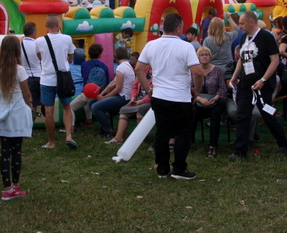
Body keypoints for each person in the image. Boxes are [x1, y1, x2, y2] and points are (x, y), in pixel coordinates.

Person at [135, 13, 203, 180]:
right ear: (178, 28)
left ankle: (162, 169)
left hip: (159, 95)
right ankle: (179, 168)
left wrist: (147, 88)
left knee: (162, 133)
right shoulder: (186, 47)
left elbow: (138, 68)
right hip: (180, 97)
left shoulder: (151, 45)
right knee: (182, 134)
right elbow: (197, 72)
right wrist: (197, 89)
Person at [229, 11, 287, 161]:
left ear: (251, 22)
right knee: (242, 116)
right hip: (245, 84)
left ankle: (282, 143)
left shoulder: (266, 37)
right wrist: (235, 77)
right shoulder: (243, 37)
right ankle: (239, 150)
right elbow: (241, 60)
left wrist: (263, 79)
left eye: (242, 23)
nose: (240, 26)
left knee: (267, 114)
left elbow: (275, 60)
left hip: (262, 85)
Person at [0, 35, 34, 201]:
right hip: (17, 112)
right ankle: (15, 186)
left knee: (4, 152)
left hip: (2, 110)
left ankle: (6, 187)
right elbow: (26, 93)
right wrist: (30, 105)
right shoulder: (19, 70)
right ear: (17, 50)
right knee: (16, 151)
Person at [35, 15, 77, 150]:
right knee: (67, 108)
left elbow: (39, 57)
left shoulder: (39, 41)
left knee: (48, 112)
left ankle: (51, 142)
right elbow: (71, 58)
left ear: (46, 26)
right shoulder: (67, 38)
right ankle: (68, 135)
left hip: (47, 79)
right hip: (63, 79)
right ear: (58, 24)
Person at [89, 47, 134, 137]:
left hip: (123, 97)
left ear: (116, 56)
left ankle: (108, 130)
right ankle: (104, 124)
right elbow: (112, 84)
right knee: (91, 101)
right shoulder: (126, 65)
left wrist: (104, 97)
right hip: (122, 95)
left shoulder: (121, 68)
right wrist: (100, 95)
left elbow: (118, 88)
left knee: (95, 107)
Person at [191, 46, 227, 158]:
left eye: (207, 54)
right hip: (198, 99)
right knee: (192, 112)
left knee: (215, 114)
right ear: (198, 58)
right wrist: (199, 98)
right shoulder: (194, 71)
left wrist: (216, 98)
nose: (205, 57)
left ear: (210, 57)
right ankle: (189, 141)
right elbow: (189, 88)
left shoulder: (217, 70)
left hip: (216, 100)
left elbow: (223, 88)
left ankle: (213, 146)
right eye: (202, 55)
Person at [70, 43, 110, 126]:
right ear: (100, 54)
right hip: (99, 94)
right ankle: (88, 120)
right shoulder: (105, 67)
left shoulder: (84, 64)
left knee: (70, 107)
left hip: (87, 94)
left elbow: (84, 76)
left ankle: (71, 127)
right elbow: (107, 83)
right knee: (88, 100)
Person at [202, 13, 240, 82]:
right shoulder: (228, 37)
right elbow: (237, 29)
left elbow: (204, 56)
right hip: (228, 69)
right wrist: (229, 18)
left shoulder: (207, 40)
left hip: (213, 69)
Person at [20, 22, 42, 115]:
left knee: (28, 102)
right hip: (38, 75)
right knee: (35, 104)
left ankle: (28, 124)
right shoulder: (37, 44)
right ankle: (31, 123)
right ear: (33, 32)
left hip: (25, 76)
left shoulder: (19, 45)